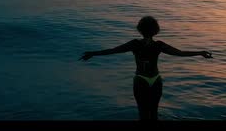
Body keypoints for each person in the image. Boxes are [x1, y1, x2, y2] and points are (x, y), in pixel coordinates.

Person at [79, 16, 213, 120]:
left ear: (140, 29)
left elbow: (113, 50)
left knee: (142, 113)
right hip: (155, 79)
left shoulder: (135, 44)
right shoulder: (159, 45)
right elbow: (180, 53)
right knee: (154, 112)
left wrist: (93, 53)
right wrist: (200, 53)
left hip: (140, 79)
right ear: (156, 30)